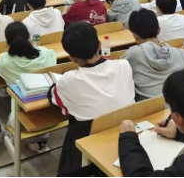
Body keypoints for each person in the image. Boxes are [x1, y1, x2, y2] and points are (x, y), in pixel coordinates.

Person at [49, 22, 135, 176]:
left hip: (87, 144)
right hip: (126, 133)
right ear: (99, 45)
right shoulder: (124, 65)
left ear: (71, 57)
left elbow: (56, 101)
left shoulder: (68, 80)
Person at [0, 22, 57, 152]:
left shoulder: (5, 63)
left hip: (21, 122)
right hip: (55, 115)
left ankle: (13, 137)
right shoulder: (48, 54)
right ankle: (41, 139)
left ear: (7, 42)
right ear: (29, 37)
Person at [125, 9, 184, 101]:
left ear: (135, 36)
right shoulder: (181, 54)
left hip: (152, 108)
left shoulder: (132, 55)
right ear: (159, 30)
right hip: (182, 105)